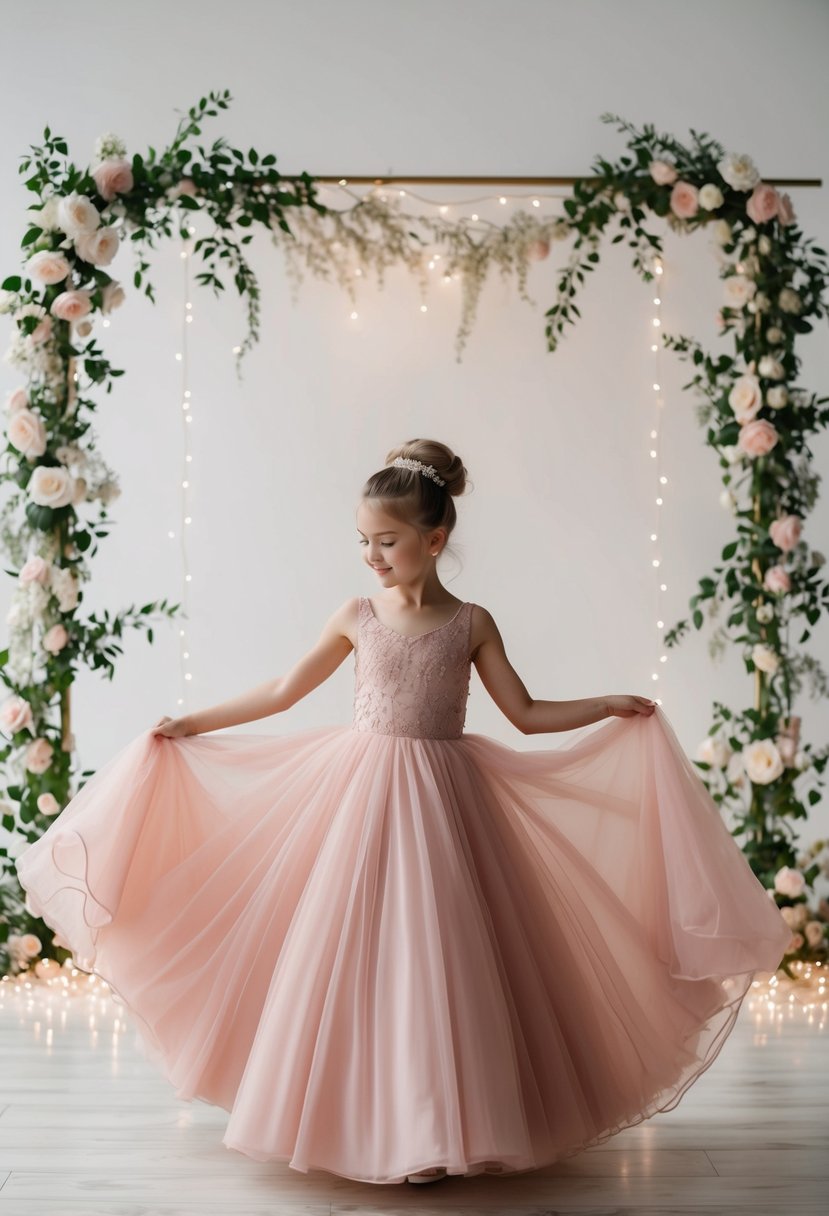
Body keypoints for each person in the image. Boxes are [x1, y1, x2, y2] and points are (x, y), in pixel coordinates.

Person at [15, 438, 792, 1188]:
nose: (372, 555)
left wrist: (606, 704)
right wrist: (194, 723)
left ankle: (437, 1131)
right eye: (363, 541)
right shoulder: (357, 615)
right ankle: (352, 1121)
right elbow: (284, 690)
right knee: (348, 952)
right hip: (360, 794)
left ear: (435, 536)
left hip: (449, 803)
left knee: (446, 960)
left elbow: (522, 713)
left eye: (386, 541)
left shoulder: (471, 622)